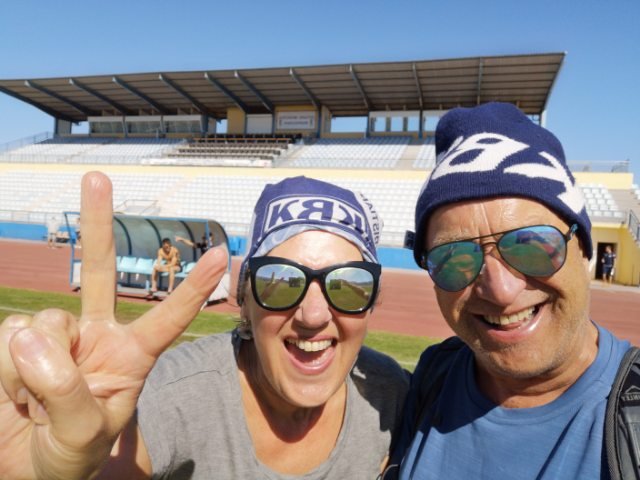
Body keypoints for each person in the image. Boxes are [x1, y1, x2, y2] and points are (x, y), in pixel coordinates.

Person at [0, 173, 408, 480]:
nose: (314, 315)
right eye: (281, 282)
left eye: (348, 286)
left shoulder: (391, 394)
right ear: (245, 302)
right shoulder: (174, 394)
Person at [387, 102, 635, 479]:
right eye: (454, 257)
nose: (500, 291)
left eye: (531, 245)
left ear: (583, 250)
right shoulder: (430, 379)